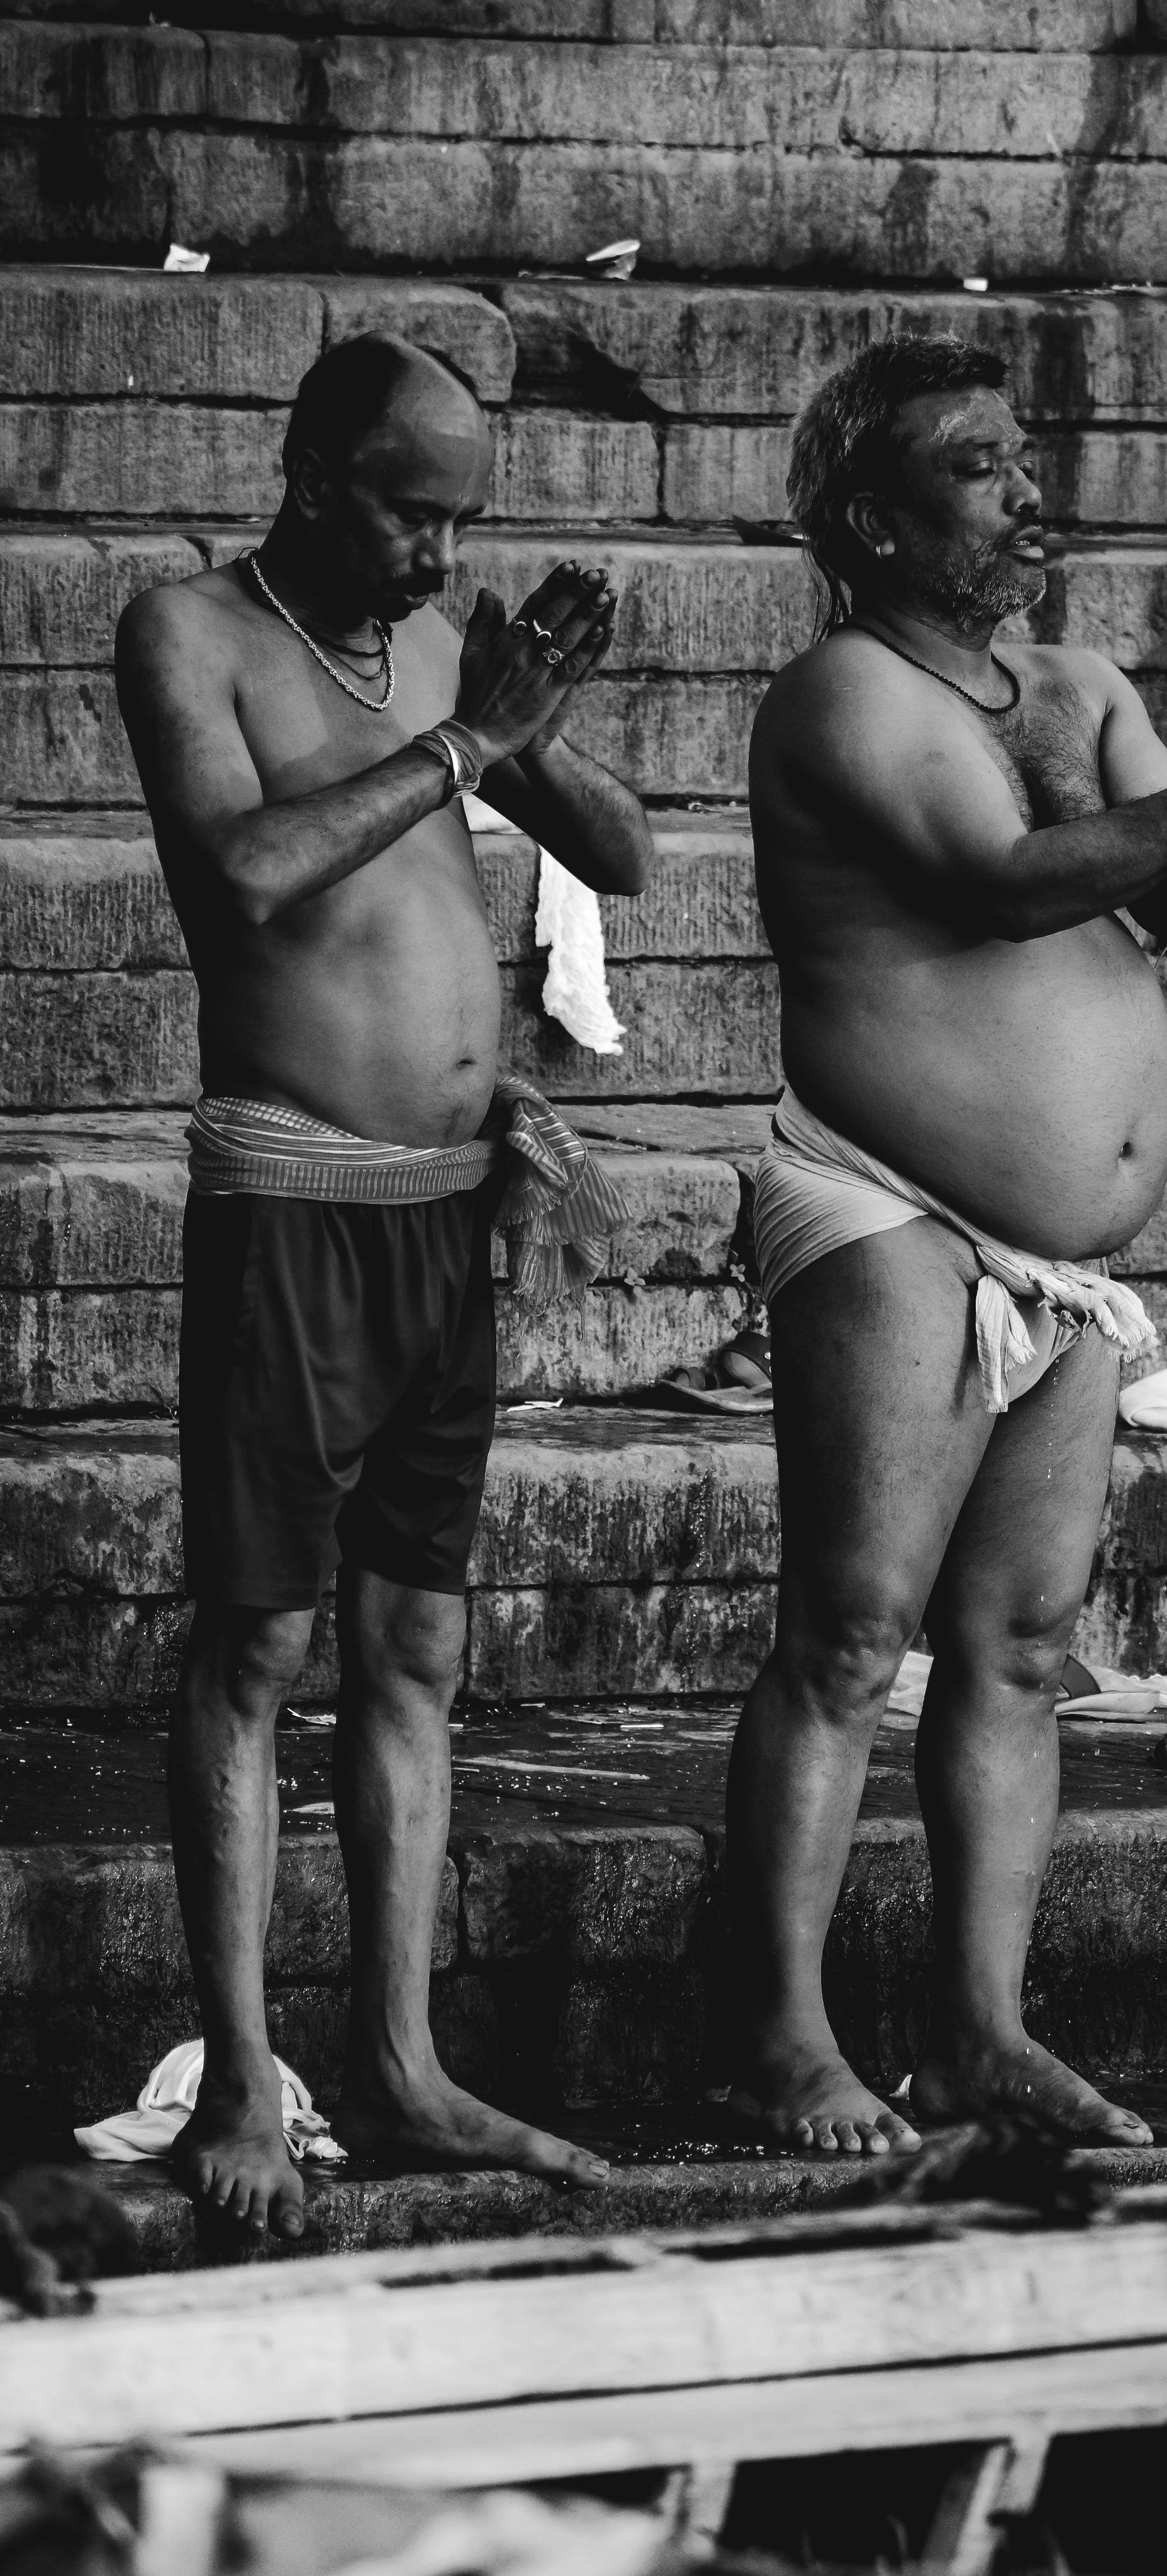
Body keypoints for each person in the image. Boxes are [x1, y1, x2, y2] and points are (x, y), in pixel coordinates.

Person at [727, 333, 1167, 2157]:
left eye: (1019, 456)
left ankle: (976, 2031)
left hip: (1056, 1266)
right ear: (874, 523)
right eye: (978, 468)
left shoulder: (1075, 681)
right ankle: (780, 2040)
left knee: (1023, 1641)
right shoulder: (843, 696)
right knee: (849, 1630)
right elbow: (1007, 880)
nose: (1025, 491)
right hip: (886, 1208)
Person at [115, 333, 656, 2239]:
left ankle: (405, 2064)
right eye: (412, 511)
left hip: (447, 1209)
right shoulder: (190, 632)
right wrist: (459, 744)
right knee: (259, 1648)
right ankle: (249, 2069)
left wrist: (534, 713)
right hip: (292, 1202)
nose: (438, 554)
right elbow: (248, 872)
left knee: (415, 1651)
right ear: (316, 472)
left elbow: (631, 858)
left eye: (459, 520)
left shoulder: (440, 646)